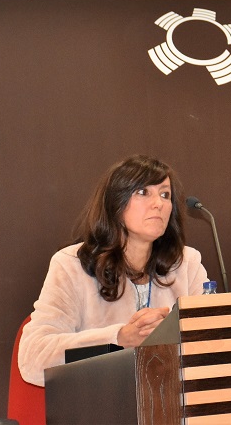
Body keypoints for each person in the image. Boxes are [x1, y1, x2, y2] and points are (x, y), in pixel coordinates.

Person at [18, 155, 208, 386]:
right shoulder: (71, 265)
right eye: (143, 192)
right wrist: (118, 339)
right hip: (100, 398)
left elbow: (211, 343)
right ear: (115, 203)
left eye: (165, 194)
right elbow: (34, 358)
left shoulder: (186, 263)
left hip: (171, 398)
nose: (158, 203)